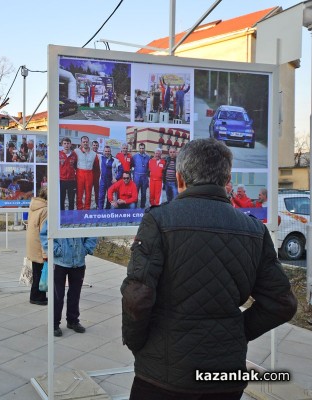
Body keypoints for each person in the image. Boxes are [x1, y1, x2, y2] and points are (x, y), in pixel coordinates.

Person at [121, 138, 297, 399]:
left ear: (180, 178)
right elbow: (282, 302)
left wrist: (137, 342)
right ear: (227, 178)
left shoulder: (158, 220)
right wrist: (236, 332)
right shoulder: (255, 230)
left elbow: (137, 296)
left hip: (163, 374)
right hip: (224, 376)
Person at [40, 220, 96, 337]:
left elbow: (92, 232)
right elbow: (45, 234)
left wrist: (85, 249)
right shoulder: (56, 213)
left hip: (78, 261)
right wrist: (56, 250)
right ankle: (54, 324)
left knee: (75, 294)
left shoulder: (82, 214)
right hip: (59, 262)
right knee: (57, 295)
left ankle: (73, 320)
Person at [25, 187, 48, 306]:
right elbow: (44, 231)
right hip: (39, 244)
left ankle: (35, 295)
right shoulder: (45, 210)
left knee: (36, 271)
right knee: (41, 272)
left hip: (32, 243)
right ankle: (38, 297)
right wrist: (45, 253)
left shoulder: (34, 206)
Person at [75, 136, 98, 210]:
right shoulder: (76, 151)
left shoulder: (94, 154)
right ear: (81, 143)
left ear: (89, 143)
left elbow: (96, 166)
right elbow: (73, 163)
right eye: (83, 142)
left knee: (88, 192)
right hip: (80, 173)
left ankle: (87, 208)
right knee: (79, 192)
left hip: (89, 173)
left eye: (86, 142)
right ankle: (79, 207)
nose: (85, 143)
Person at [59, 137, 78, 210]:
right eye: (65, 143)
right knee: (61, 199)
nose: (66, 145)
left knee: (71, 199)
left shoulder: (74, 155)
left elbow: (76, 167)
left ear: (70, 144)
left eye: (68, 143)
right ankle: (61, 214)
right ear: (62, 144)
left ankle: (71, 215)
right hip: (61, 180)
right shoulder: (59, 154)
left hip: (71, 180)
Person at [132, 143, 150, 208]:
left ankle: (142, 206)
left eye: (143, 148)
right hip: (137, 177)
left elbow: (148, 167)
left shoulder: (148, 157)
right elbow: (132, 165)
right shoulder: (134, 157)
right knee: (135, 193)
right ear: (138, 148)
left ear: (144, 149)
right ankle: (134, 206)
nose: (141, 149)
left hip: (144, 177)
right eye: (140, 148)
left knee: (144, 193)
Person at [91, 141, 101, 209]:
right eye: (94, 145)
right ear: (92, 146)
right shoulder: (88, 153)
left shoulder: (100, 155)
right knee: (88, 192)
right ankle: (88, 205)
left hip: (97, 176)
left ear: (98, 146)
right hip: (89, 175)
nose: (95, 146)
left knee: (97, 192)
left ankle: (97, 204)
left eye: (96, 145)